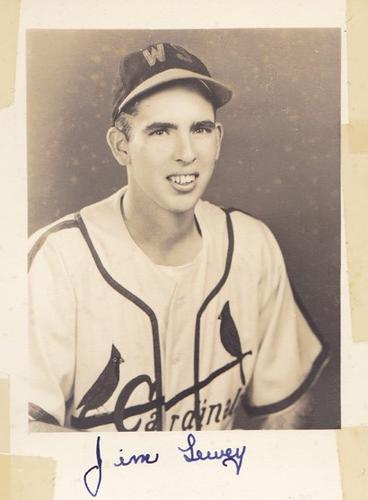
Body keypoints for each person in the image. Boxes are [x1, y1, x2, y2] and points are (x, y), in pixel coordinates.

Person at [28, 42, 328, 432]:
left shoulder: (251, 244)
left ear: (217, 140)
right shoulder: (57, 259)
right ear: (121, 147)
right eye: (160, 131)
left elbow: (286, 404)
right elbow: (21, 436)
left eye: (200, 129)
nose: (186, 153)